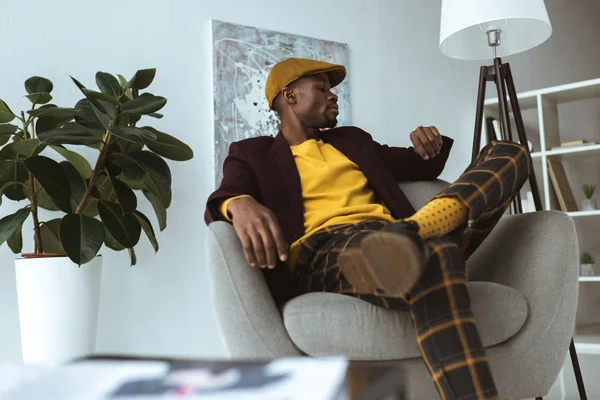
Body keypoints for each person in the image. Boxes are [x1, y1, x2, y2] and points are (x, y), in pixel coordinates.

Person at [205, 57, 530, 400]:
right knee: (436, 254)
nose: (333, 96)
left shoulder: (353, 141)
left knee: (509, 152)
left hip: (399, 235)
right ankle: (414, 237)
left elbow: (420, 164)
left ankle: (417, 230)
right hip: (329, 250)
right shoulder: (253, 152)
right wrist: (239, 203)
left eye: (332, 91)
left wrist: (427, 143)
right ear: (290, 96)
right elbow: (224, 195)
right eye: (322, 89)